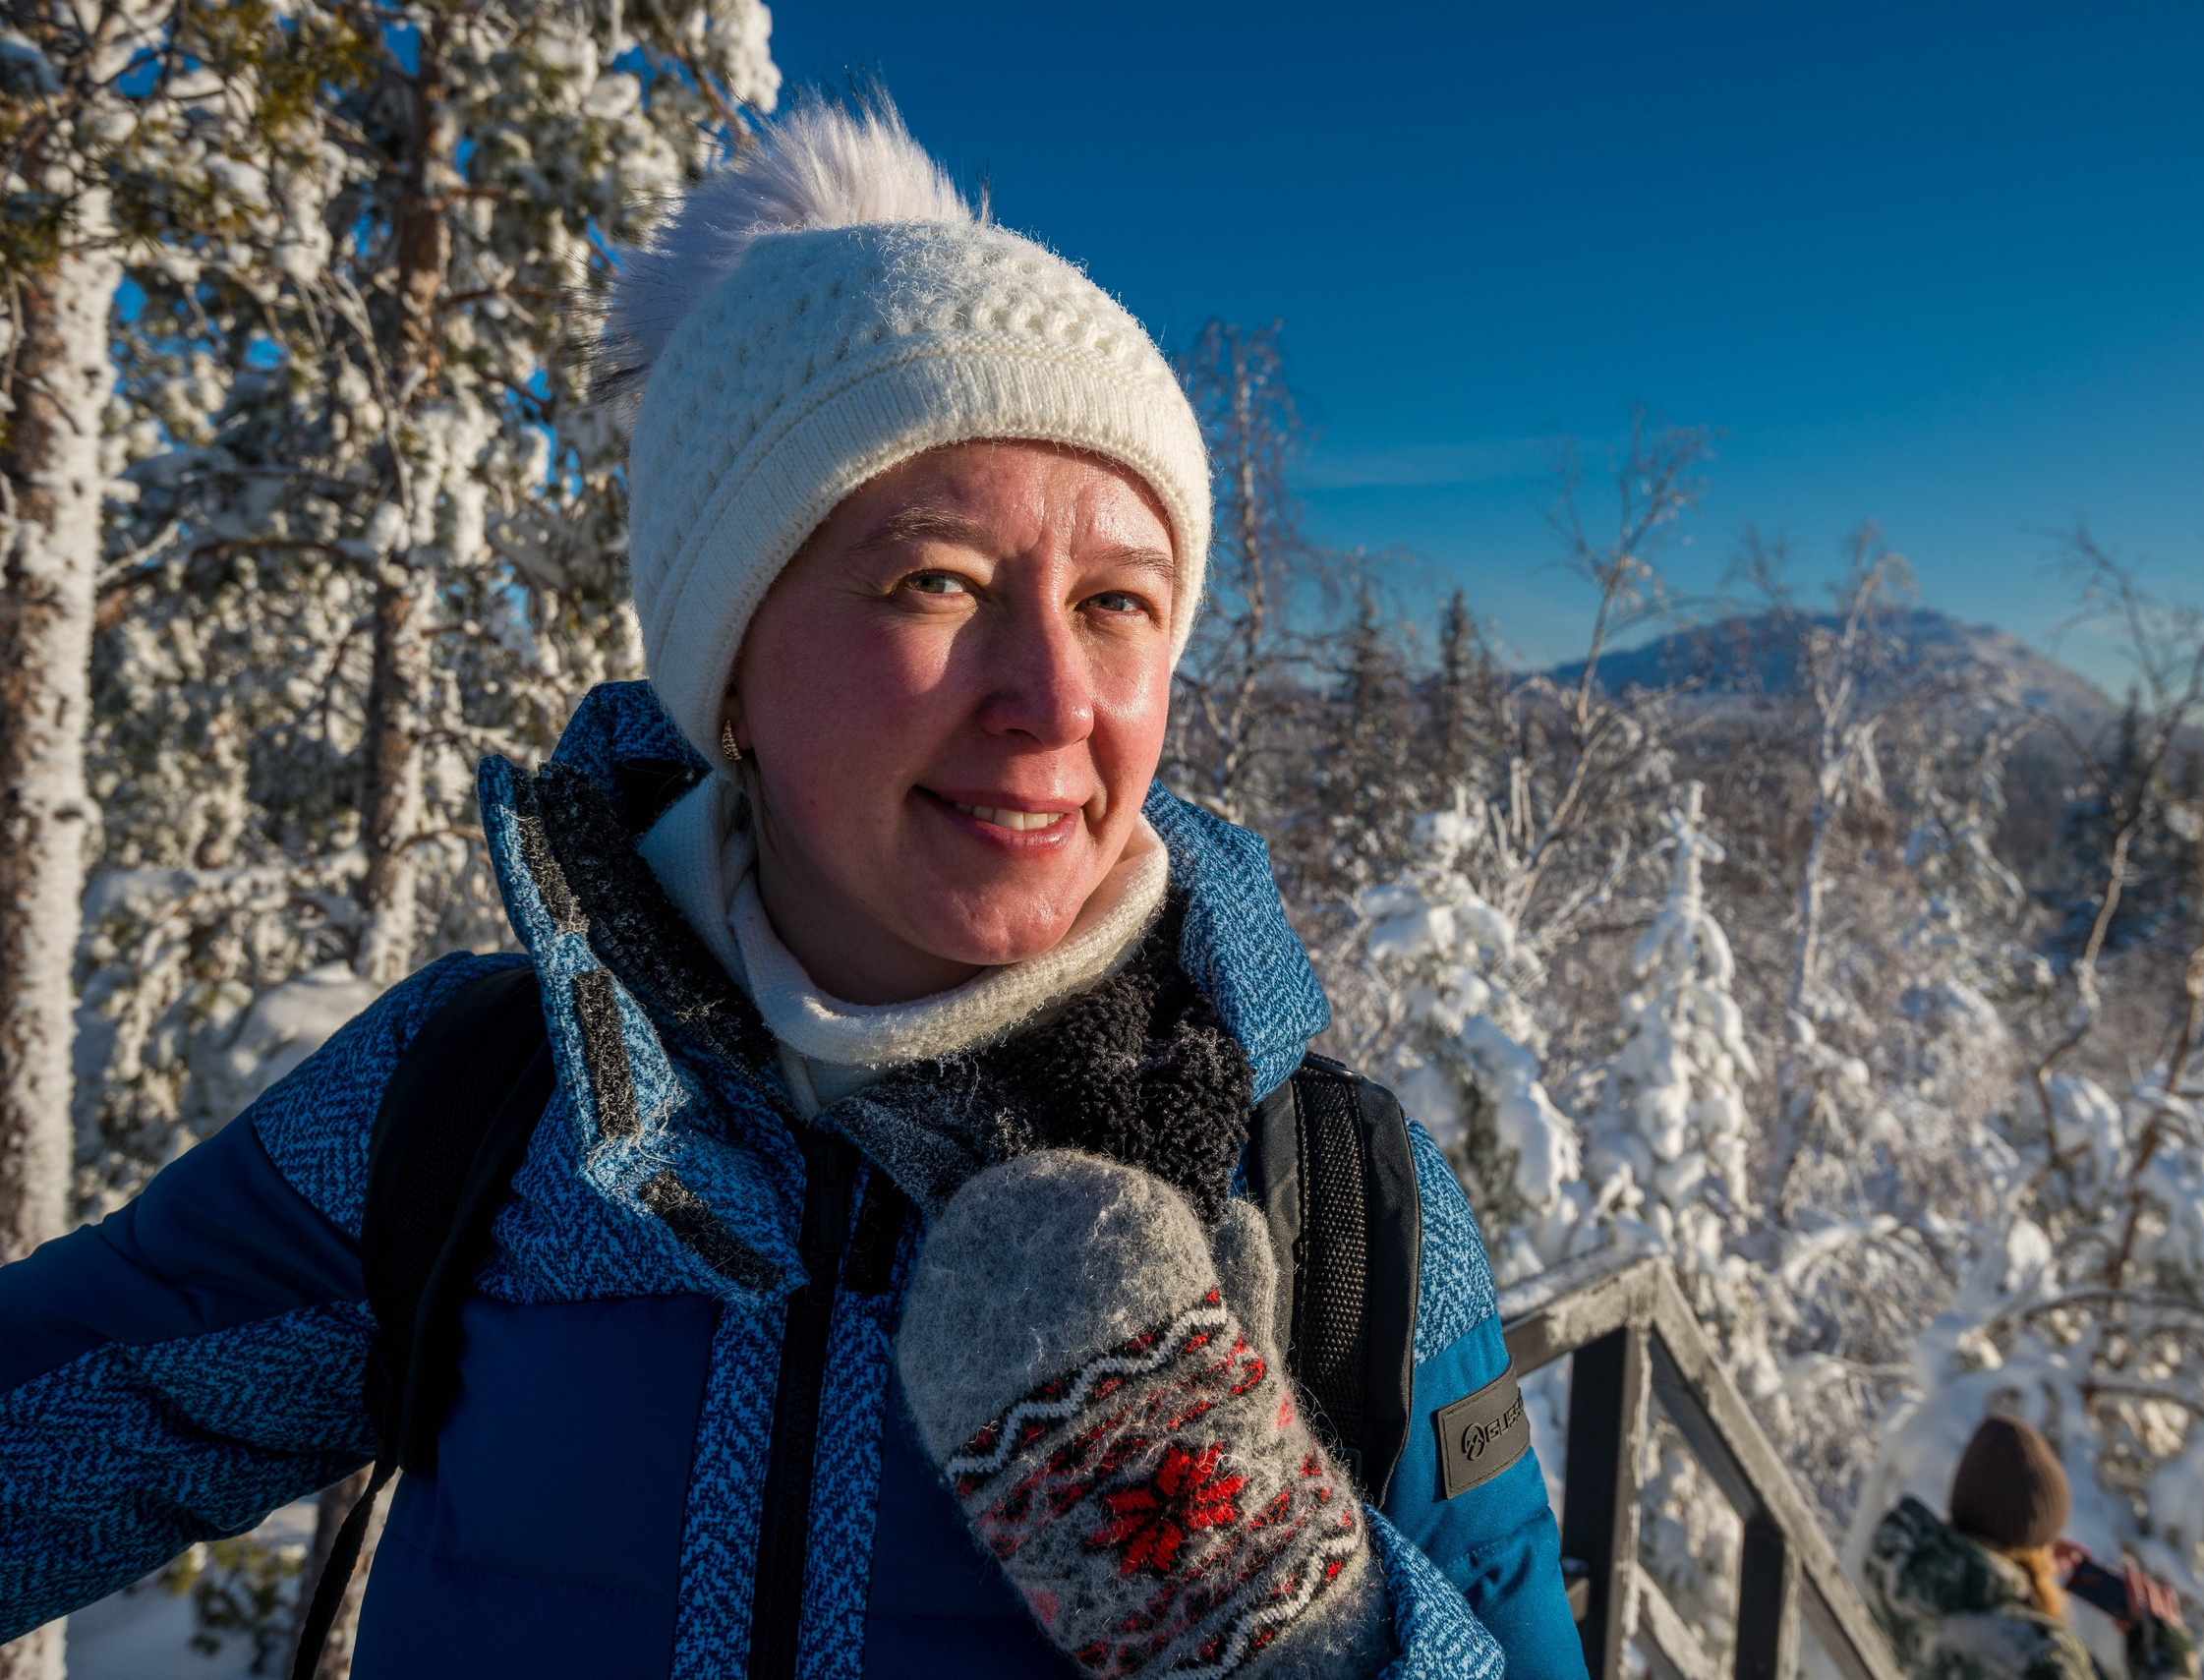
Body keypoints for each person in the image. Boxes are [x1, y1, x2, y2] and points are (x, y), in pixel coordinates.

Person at [0, 100, 1585, 1680]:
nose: (1050, 697)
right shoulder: (475, 1110)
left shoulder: (1337, 1195)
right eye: (937, 581)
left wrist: (1281, 1616)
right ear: (730, 668)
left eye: (1119, 603)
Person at [1864, 1417, 2200, 1680]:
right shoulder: (2039, 1658)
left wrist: (2008, 1574)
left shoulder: (1892, 1582)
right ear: (2033, 1550)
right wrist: (2166, 1663)